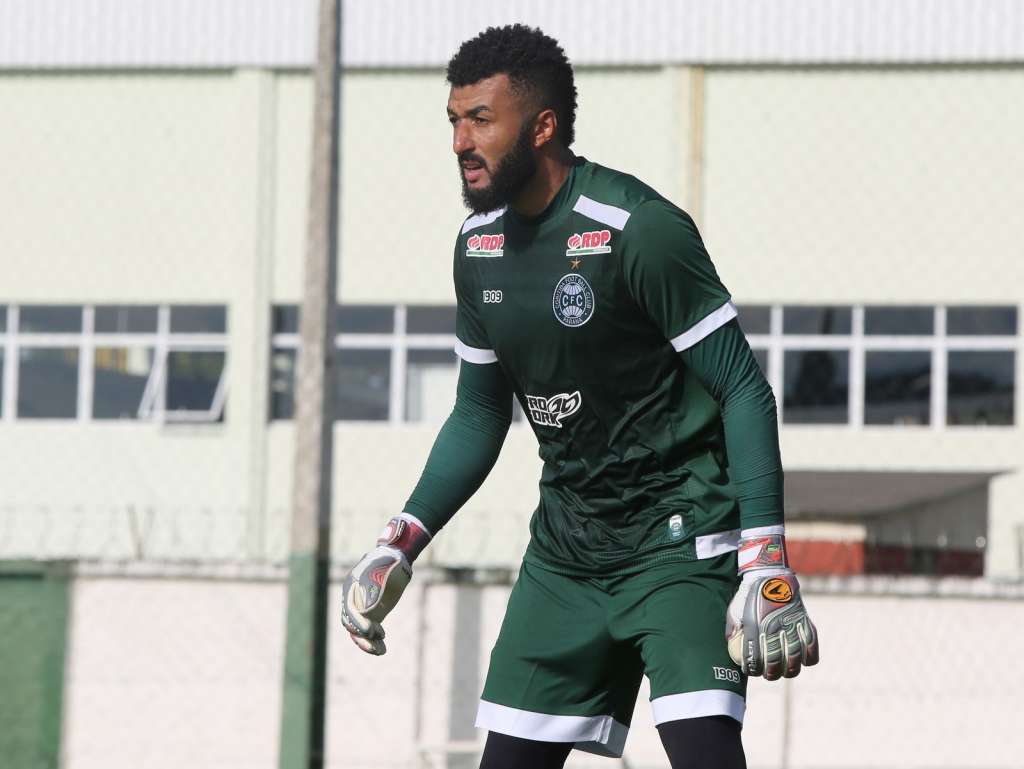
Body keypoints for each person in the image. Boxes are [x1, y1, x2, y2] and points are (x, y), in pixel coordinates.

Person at [340, 24, 819, 769]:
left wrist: (764, 557)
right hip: (567, 551)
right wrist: (400, 539)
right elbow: (479, 412)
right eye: (454, 121)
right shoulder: (478, 247)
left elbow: (743, 388)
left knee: (703, 751)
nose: (461, 142)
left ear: (542, 127)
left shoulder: (639, 229)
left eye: (481, 121)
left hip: (679, 538)